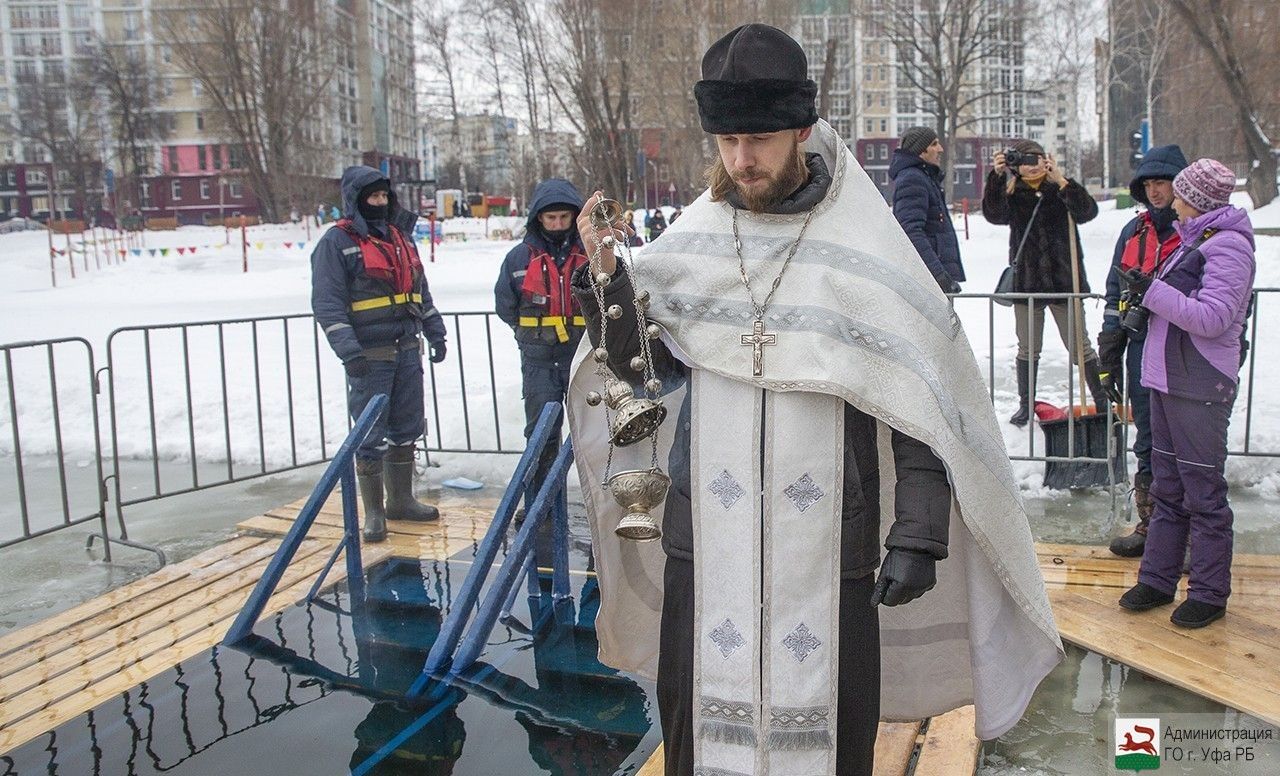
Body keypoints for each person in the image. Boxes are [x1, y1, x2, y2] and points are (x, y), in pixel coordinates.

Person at [566, 24, 1061, 776]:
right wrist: (606, 288)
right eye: (727, 140)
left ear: (802, 128)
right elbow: (644, 372)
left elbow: (918, 394)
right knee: (698, 736)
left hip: (832, 543)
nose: (741, 159)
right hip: (708, 541)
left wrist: (920, 532)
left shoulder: (864, 246)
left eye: (759, 138)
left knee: (833, 739)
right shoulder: (697, 239)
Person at [1118, 159, 1255, 629]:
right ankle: (1157, 579)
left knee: (1202, 493)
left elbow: (1213, 318)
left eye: (1178, 192)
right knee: (1167, 487)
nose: (1171, 200)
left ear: (1195, 198)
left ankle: (1210, 591)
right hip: (1168, 378)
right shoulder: (1197, 238)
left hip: (1198, 383)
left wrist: (1153, 292)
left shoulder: (1230, 247)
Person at [311, 166, 447, 542]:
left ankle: (400, 500)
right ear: (356, 199)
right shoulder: (336, 244)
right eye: (372, 197)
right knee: (370, 433)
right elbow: (327, 304)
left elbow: (420, 291)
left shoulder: (400, 238)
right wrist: (349, 352)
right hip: (369, 355)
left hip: (406, 347)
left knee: (407, 426)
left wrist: (436, 332)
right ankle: (373, 513)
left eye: (384, 196)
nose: (380, 203)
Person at [1100, 145, 1188, 556]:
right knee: (1148, 439)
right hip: (1139, 348)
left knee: (1186, 441)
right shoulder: (1133, 232)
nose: (1155, 192)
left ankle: (1185, 533)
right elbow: (1115, 292)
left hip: (1185, 350)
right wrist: (1109, 350)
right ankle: (1152, 523)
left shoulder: (1196, 232)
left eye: (1163, 182)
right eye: (1149, 184)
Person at [981, 140, 1108, 427]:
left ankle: (1102, 399)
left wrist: (1062, 180)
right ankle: (1025, 405)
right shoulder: (1013, 194)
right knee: (1027, 347)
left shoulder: (1060, 190)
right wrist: (997, 177)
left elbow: (1087, 212)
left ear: (1045, 159)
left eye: (1035, 158)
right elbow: (993, 213)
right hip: (1027, 283)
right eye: (1023, 160)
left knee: (1080, 346)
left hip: (1065, 281)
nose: (1030, 164)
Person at [494, 179, 588, 517]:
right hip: (538, 361)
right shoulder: (518, 258)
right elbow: (505, 304)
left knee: (592, 435)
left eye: (565, 217)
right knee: (541, 436)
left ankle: (599, 509)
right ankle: (539, 505)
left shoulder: (590, 254)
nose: (558, 225)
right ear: (538, 220)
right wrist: (528, 334)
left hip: (583, 360)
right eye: (551, 219)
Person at [889, 126, 964, 293]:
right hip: (927, 283)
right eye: (934, 144)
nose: (940, 149)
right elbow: (910, 230)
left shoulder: (925, 177)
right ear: (921, 151)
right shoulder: (913, 179)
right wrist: (938, 275)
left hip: (931, 280)